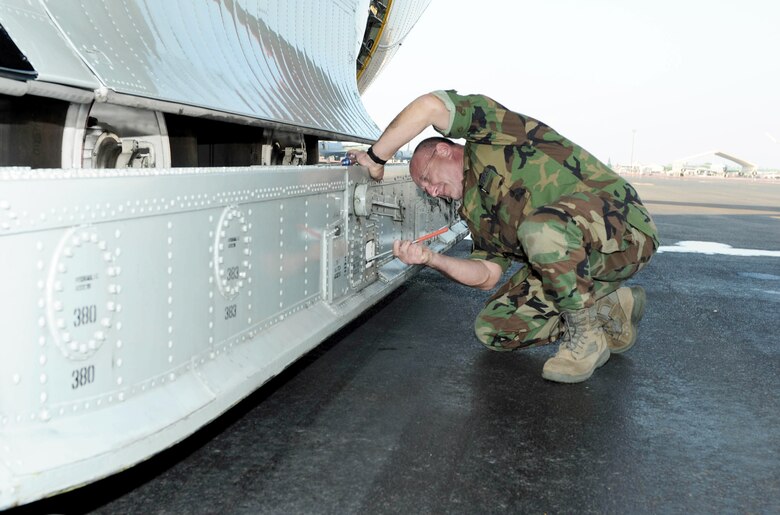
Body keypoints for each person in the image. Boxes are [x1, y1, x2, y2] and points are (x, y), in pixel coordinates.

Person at [349, 91, 658, 383]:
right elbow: (485, 276)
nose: (431, 190)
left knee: (540, 228)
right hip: (576, 261)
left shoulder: (491, 136)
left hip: (624, 233)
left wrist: (378, 158)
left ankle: (586, 335)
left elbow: (429, 105)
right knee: (494, 329)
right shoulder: (474, 211)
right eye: (425, 189)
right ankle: (609, 308)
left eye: (427, 178)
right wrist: (430, 258)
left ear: (444, 149)